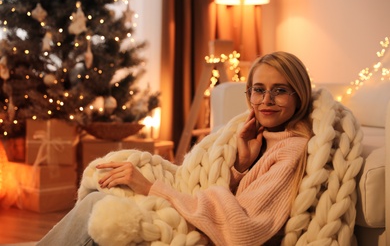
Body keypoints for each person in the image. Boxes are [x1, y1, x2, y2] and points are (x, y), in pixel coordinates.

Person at [37, 51, 313, 246]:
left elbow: (242, 232)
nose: (266, 100)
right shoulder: (257, 135)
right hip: (197, 219)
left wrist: (151, 188)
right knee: (102, 200)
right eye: (258, 89)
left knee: (100, 208)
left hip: (201, 236)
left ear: (298, 94)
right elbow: (237, 197)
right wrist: (241, 165)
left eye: (279, 90)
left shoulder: (291, 149)